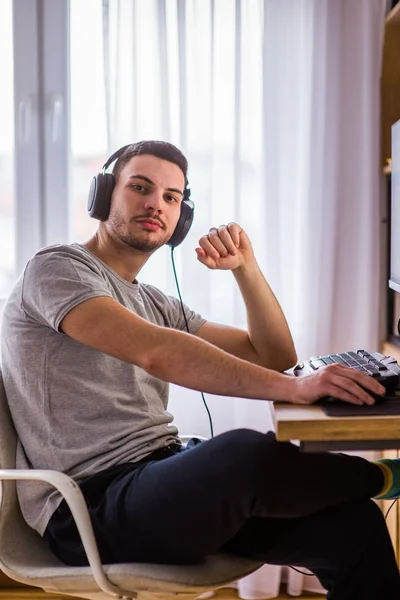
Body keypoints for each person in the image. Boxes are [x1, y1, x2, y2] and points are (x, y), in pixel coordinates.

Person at [1, 140, 400, 600]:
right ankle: (384, 479)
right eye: (140, 187)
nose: (156, 204)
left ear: (181, 219)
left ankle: (373, 488)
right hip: (91, 507)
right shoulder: (57, 268)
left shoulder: (153, 301)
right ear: (104, 194)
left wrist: (245, 268)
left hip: (161, 483)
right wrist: (299, 387)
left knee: (354, 527)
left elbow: (271, 354)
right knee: (244, 456)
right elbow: (156, 351)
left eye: (172, 197)